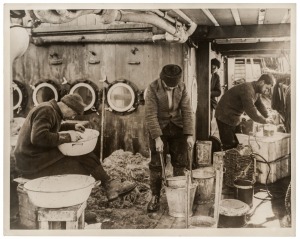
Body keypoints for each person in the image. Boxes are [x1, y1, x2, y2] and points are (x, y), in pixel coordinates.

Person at [14, 93, 136, 201]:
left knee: (83, 155)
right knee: (80, 169)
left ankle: (109, 186)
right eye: (74, 113)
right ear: (67, 106)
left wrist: (72, 127)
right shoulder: (46, 111)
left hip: (36, 157)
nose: (73, 117)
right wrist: (68, 137)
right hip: (31, 162)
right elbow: (38, 138)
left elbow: (51, 127)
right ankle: (73, 203)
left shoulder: (51, 109)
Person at [145, 64, 194, 213]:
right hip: (159, 127)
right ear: (163, 80)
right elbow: (150, 115)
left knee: (180, 161)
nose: (173, 89)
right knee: (156, 163)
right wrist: (157, 138)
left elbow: (186, 110)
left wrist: (189, 135)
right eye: (169, 87)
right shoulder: (152, 88)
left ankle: (180, 193)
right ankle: (155, 196)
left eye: (175, 87)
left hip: (177, 127)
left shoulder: (182, 87)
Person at [215, 73, 275, 150]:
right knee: (229, 145)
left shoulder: (256, 91)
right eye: (267, 88)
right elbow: (251, 110)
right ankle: (228, 159)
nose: (266, 91)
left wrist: (268, 116)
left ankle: (234, 158)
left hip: (234, 116)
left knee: (238, 143)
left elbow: (260, 105)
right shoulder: (247, 89)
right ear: (262, 82)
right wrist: (264, 120)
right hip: (224, 115)